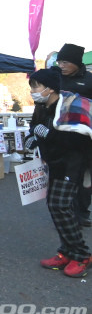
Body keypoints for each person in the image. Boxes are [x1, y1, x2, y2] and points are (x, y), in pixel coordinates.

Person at [25, 67, 92, 277]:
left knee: (60, 206)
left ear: (50, 88)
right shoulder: (42, 106)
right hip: (53, 162)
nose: (33, 91)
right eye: (32, 87)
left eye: (37, 86)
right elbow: (35, 127)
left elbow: (78, 138)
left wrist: (49, 135)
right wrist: (32, 137)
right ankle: (66, 251)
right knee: (55, 207)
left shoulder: (70, 106)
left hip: (71, 163)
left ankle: (81, 254)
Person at [54, 43, 92, 229]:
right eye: (60, 61)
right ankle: (65, 213)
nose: (62, 65)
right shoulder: (55, 78)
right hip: (60, 138)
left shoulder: (89, 80)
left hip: (85, 139)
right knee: (63, 176)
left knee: (84, 178)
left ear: (76, 63)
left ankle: (82, 213)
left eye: (66, 62)